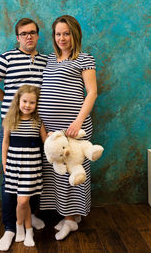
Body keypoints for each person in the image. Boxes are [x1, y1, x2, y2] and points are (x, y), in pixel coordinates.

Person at [0, 18, 47, 251]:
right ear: (17, 37)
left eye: (32, 32)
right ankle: (11, 226)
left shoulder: (45, 60)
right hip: (13, 126)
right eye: (23, 33)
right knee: (10, 179)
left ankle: (30, 214)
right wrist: (11, 106)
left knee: (36, 172)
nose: (28, 36)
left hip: (37, 125)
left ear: (38, 35)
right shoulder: (6, 58)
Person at [38, 15, 98, 240]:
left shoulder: (84, 58)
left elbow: (91, 92)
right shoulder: (50, 60)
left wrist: (78, 121)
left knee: (72, 172)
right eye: (58, 34)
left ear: (75, 35)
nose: (62, 38)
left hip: (74, 127)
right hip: (52, 129)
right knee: (57, 172)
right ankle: (69, 215)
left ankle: (71, 221)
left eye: (66, 33)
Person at [2, 85, 47, 247]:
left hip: (31, 166)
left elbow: (46, 142)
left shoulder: (38, 121)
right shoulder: (10, 119)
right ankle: (27, 230)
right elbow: (5, 143)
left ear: (37, 104)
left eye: (32, 102)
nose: (27, 105)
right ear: (18, 101)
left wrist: (60, 143)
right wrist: (4, 163)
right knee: (23, 202)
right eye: (25, 101)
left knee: (23, 201)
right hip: (14, 164)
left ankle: (20, 225)